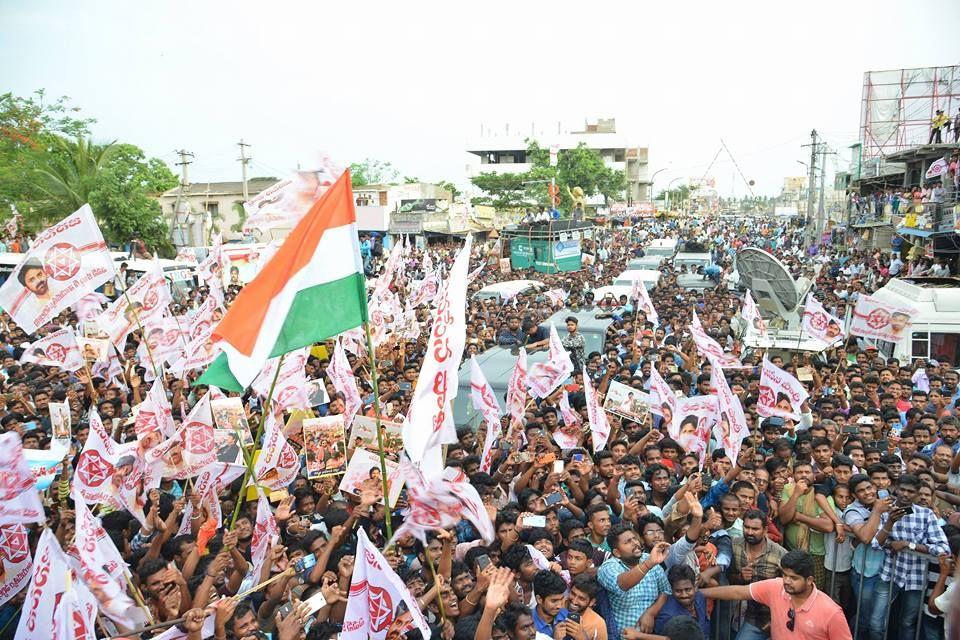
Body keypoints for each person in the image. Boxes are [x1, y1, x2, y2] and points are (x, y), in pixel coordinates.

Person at [700, 550, 852, 640]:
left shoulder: (832, 613)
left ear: (809, 580)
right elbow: (738, 592)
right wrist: (699, 593)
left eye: (793, 578)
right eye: (784, 575)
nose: (786, 581)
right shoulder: (776, 587)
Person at [870, 474, 950, 640]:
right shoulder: (885, 511)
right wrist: (889, 523)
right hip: (889, 574)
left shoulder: (926, 515)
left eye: (911, 491)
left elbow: (943, 548)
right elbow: (876, 544)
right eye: (903, 490)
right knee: (876, 623)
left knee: (907, 623)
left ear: (917, 493)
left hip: (916, 578)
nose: (905, 494)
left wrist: (909, 545)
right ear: (897, 489)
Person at [596, 523, 671, 640]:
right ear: (617, 553)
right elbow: (621, 585)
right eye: (627, 542)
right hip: (623, 636)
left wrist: (651, 613)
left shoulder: (648, 558)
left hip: (654, 633)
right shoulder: (608, 567)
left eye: (634, 539)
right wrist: (648, 564)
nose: (635, 543)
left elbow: (666, 591)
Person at [730, 509, 788, 640]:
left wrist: (777, 619)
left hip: (769, 616)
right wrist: (740, 577)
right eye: (747, 527)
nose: (749, 532)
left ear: (765, 530)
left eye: (755, 529)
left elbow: (789, 589)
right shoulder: (734, 545)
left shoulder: (780, 554)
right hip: (743, 614)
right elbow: (728, 576)